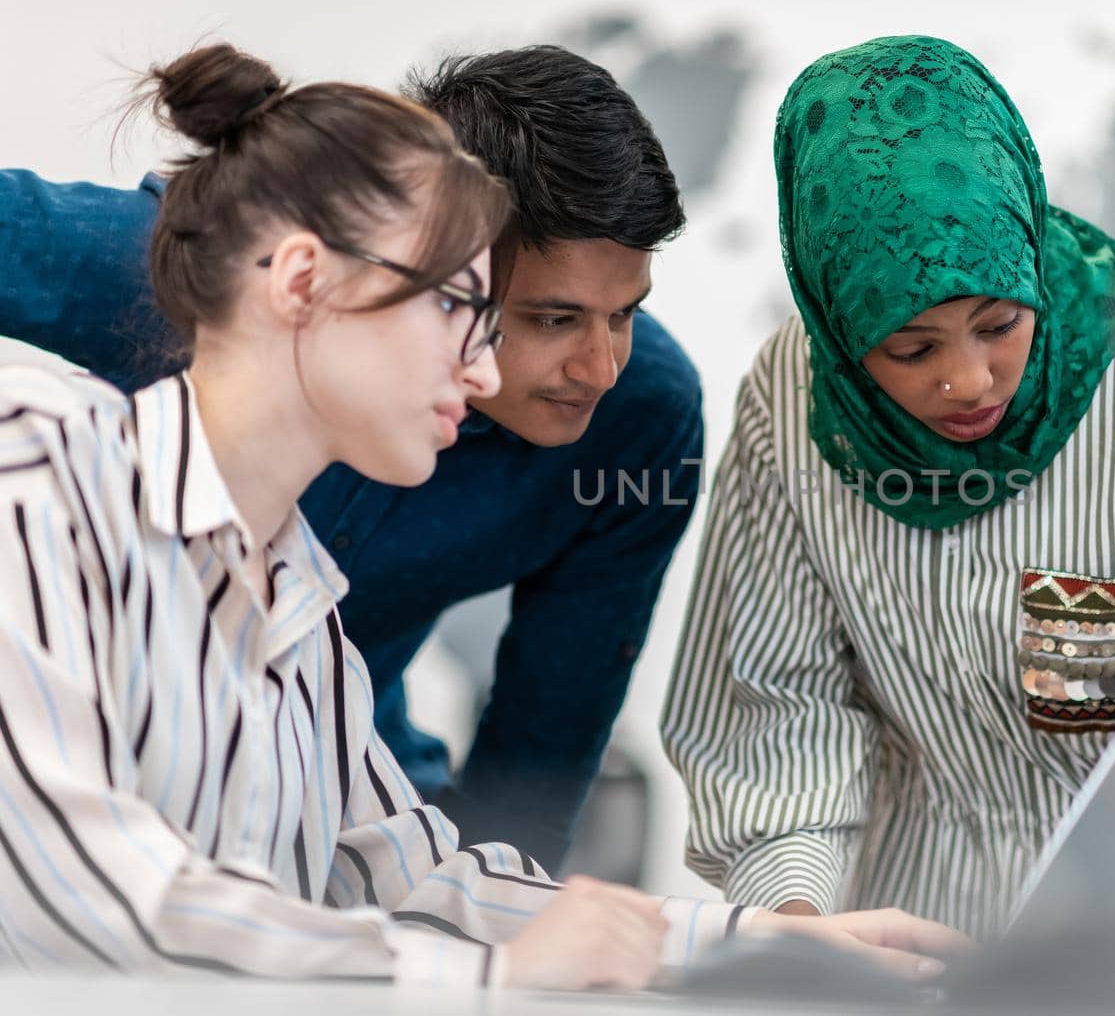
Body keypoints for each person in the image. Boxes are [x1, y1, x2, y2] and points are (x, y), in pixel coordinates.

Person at [0, 43, 965, 989]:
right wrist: (491, 973)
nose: (483, 365)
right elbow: (109, 907)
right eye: (464, 307)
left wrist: (746, 941)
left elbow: (424, 872)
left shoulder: (308, 609)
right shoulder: (40, 481)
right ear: (298, 282)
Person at [660, 35, 1115, 996]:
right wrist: (797, 929)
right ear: (839, 332)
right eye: (910, 348)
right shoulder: (791, 407)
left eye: (1000, 324)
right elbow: (778, 716)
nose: (967, 380)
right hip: (918, 944)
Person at [0, 46, 703, 867]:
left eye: (623, 315)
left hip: (339, 770)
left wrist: (508, 960)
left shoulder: (642, 416)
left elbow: (542, 749)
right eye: (551, 319)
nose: (600, 370)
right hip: (96, 755)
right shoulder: (206, 273)